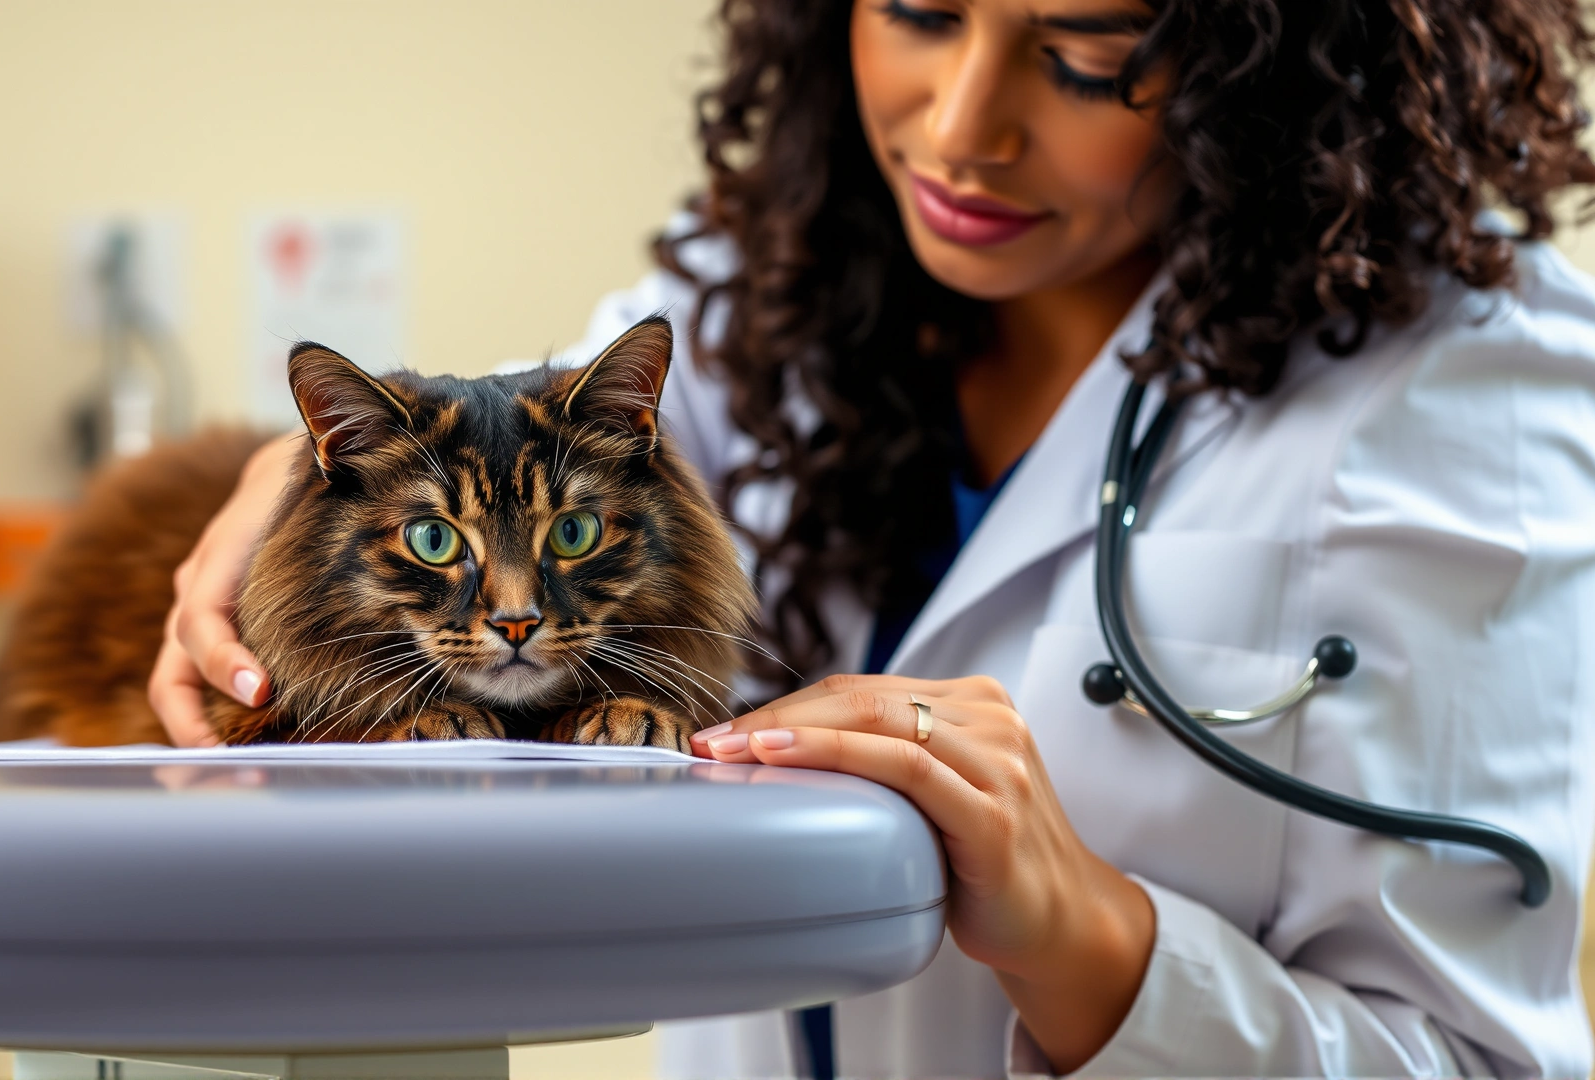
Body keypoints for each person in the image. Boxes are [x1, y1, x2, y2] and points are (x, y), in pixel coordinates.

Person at [149, 0, 1595, 1075]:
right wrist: (307, 477)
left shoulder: (1466, 376)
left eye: (1087, 53)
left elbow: (1467, 1058)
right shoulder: (757, 278)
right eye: (916, 11)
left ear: (1273, 60)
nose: (962, 128)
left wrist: (1085, 930)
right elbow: (521, 449)